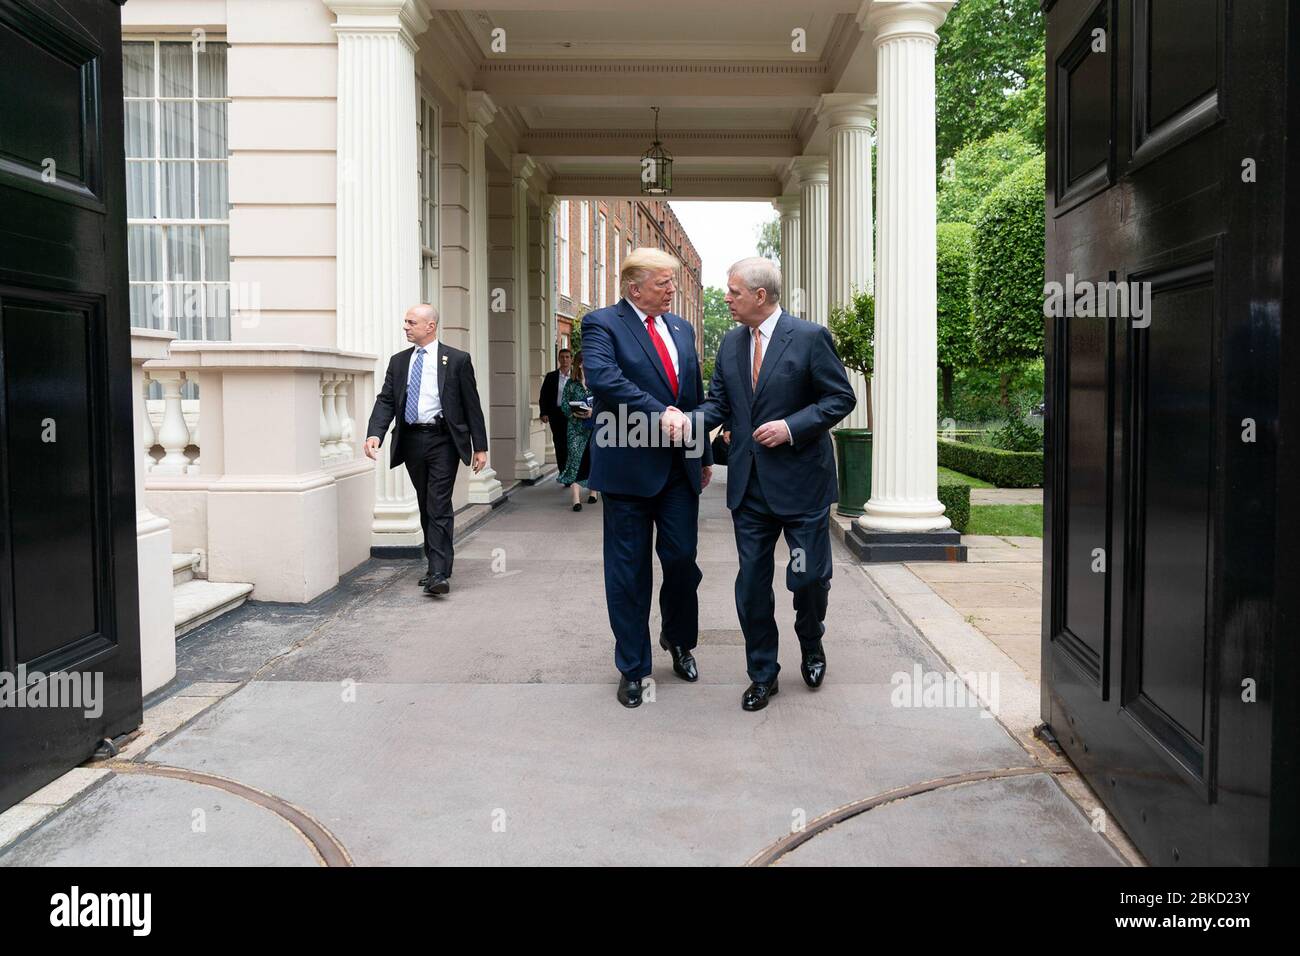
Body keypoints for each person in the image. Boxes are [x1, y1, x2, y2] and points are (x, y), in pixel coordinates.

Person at [667, 258, 854, 711]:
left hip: (802, 486)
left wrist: (791, 427)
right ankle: (762, 673)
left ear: (760, 296)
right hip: (749, 488)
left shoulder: (809, 338)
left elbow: (840, 397)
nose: (725, 298)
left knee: (807, 577)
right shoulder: (731, 343)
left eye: (733, 292)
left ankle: (811, 641)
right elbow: (719, 405)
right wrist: (687, 422)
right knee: (752, 583)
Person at [582, 248, 712, 708]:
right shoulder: (602, 324)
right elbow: (603, 379)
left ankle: (679, 641)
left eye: (673, 282)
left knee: (682, 561)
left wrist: (703, 453)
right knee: (628, 572)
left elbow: (693, 394)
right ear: (634, 288)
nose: (672, 290)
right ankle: (632, 667)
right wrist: (663, 415)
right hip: (626, 468)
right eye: (663, 283)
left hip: (679, 467)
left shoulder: (681, 328)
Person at [364, 304, 489, 596]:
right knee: (424, 502)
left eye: (411, 322)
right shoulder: (398, 362)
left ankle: (438, 572)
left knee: (438, 503)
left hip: (443, 439)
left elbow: (472, 405)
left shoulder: (457, 360)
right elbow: (386, 400)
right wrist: (375, 433)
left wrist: (480, 447)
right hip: (411, 440)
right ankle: (436, 564)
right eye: (405, 321)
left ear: (430, 326)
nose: (405, 327)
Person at [555, 350, 599, 511]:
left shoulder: (596, 382)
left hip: (593, 427)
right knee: (575, 459)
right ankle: (576, 498)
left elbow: (603, 402)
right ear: (580, 364)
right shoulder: (571, 384)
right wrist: (573, 412)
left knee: (592, 459)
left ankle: (593, 491)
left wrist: (593, 412)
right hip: (575, 427)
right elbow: (564, 403)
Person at [538, 349, 573, 476]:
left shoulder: (577, 376)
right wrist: (543, 413)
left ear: (571, 359)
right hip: (556, 414)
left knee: (571, 442)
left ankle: (572, 471)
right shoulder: (551, 376)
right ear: (558, 359)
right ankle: (563, 471)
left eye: (567, 357)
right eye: (562, 357)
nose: (564, 360)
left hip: (573, 414)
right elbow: (544, 396)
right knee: (559, 443)